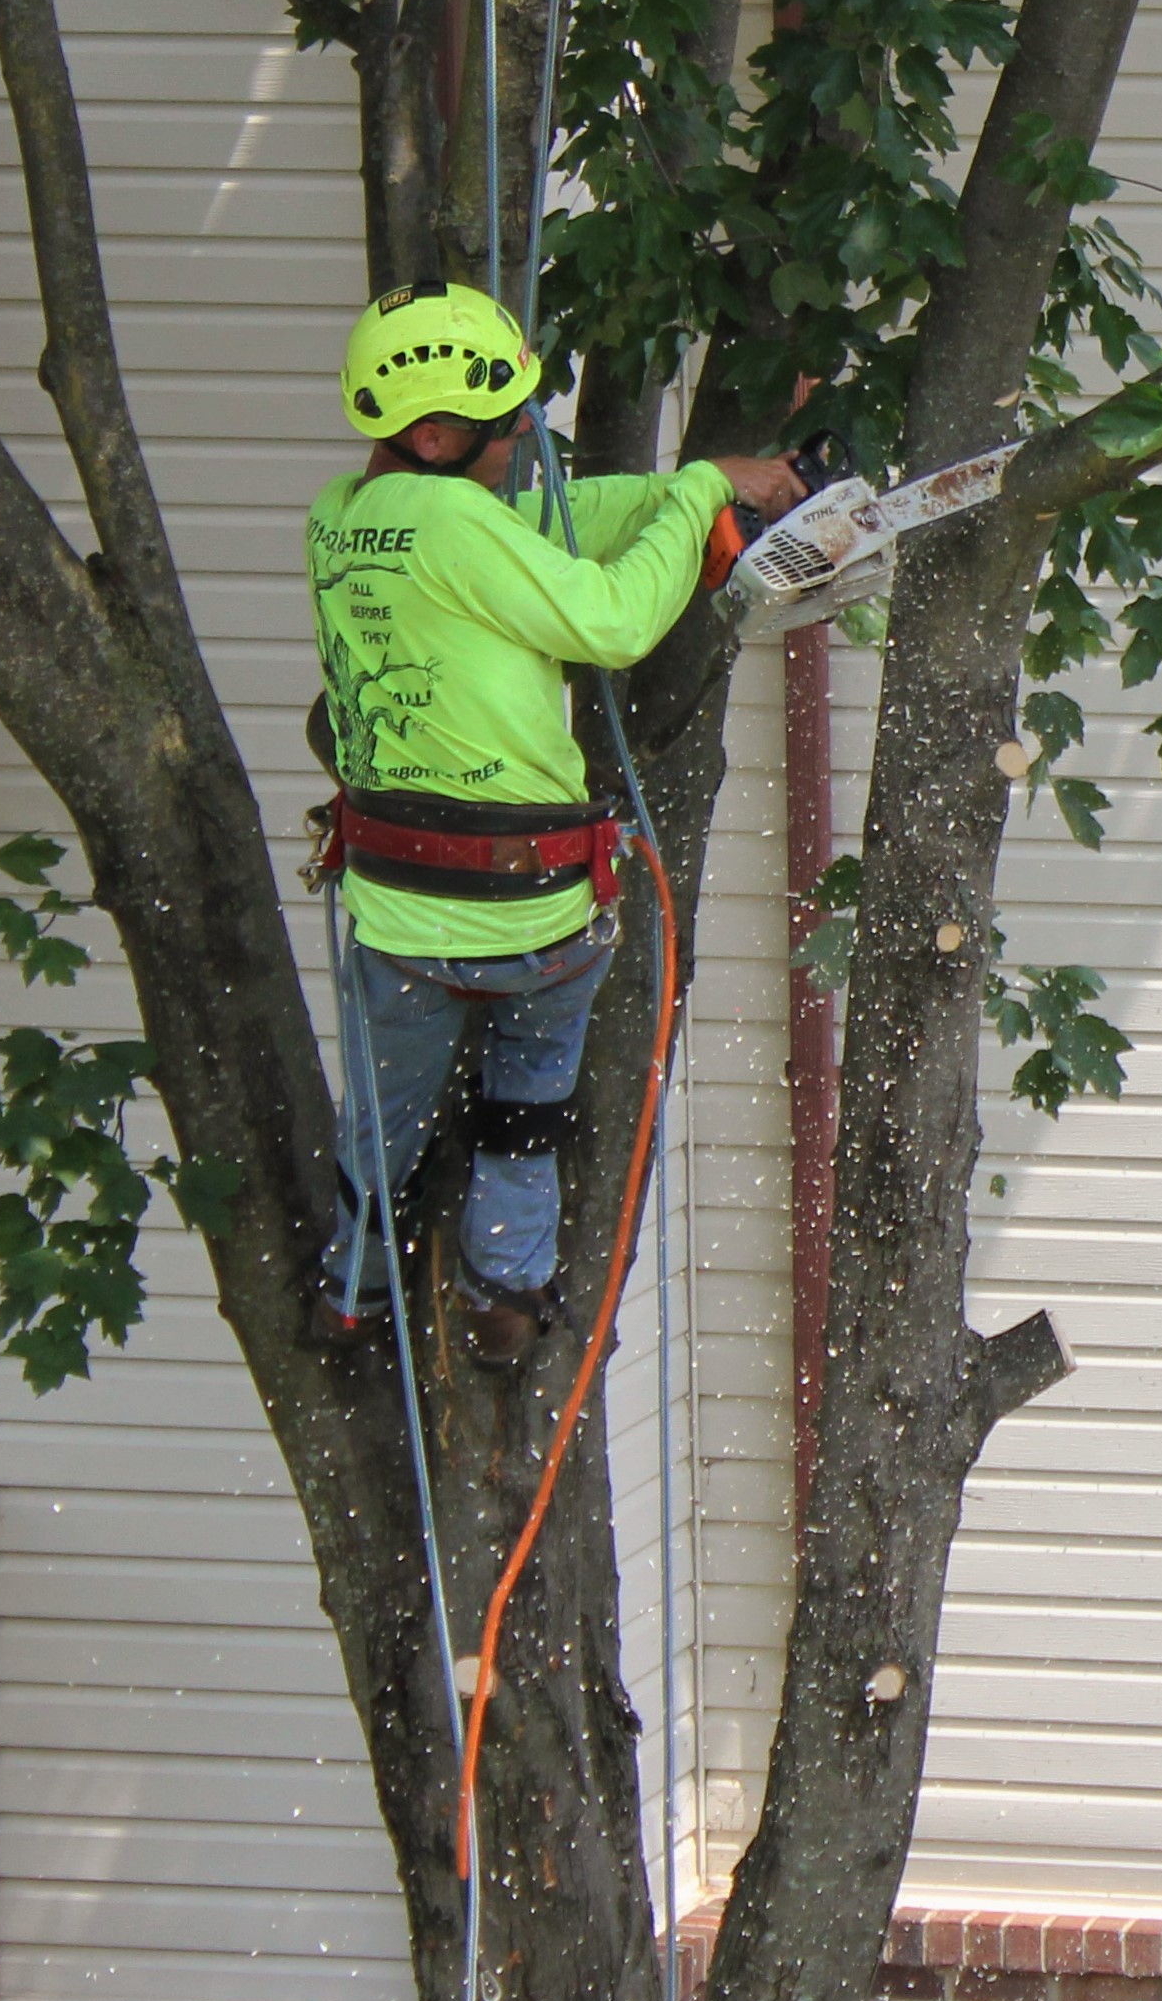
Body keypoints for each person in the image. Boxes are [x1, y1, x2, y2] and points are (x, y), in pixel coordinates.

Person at [308, 285, 801, 1363]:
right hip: (534, 914)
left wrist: (678, 494)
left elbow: (536, 529)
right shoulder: (452, 521)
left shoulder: (345, 518)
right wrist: (706, 489)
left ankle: (355, 1292)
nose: (531, 427)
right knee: (522, 1115)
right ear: (437, 434)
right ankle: (505, 1295)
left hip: (398, 915)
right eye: (508, 416)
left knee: (381, 1127)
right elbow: (613, 620)